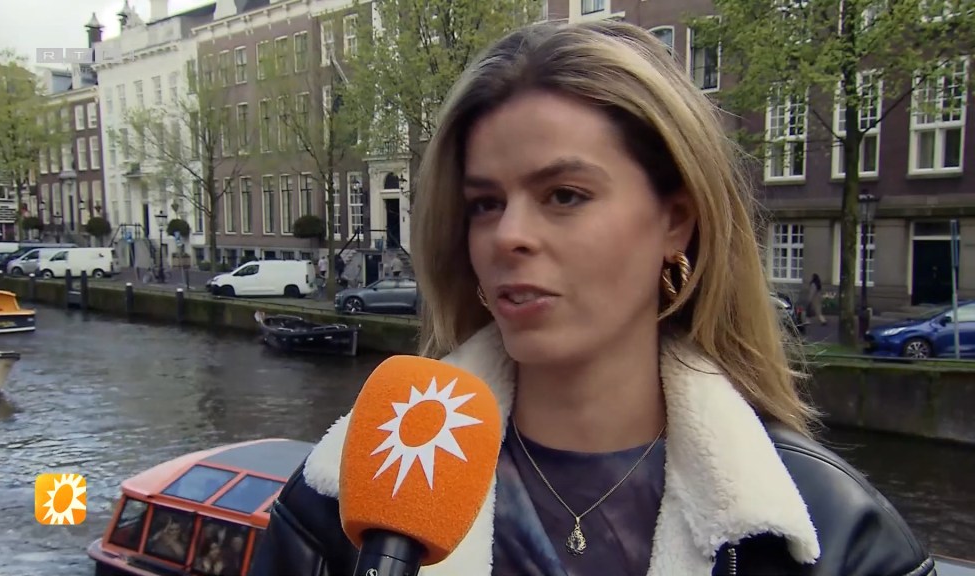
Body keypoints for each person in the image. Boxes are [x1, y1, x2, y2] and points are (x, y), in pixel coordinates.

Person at [249, 20, 934, 576]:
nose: (508, 236)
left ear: (676, 221)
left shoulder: (830, 534)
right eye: (485, 203)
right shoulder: (344, 499)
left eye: (564, 195)